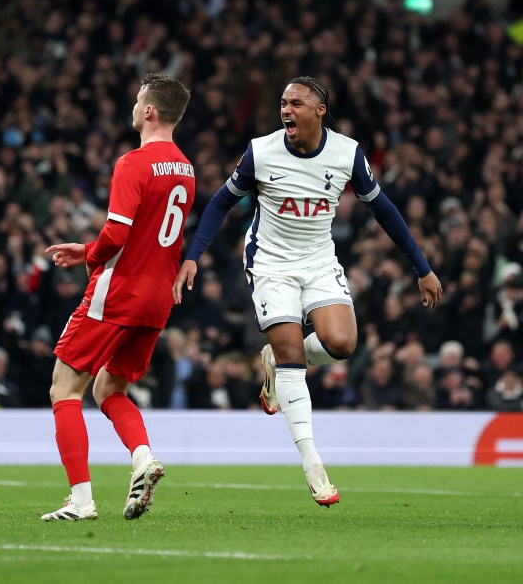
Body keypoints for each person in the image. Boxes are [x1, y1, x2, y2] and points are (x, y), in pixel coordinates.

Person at [173, 76, 442, 506]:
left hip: (318, 262)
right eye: (283, 103)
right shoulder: (261, 151)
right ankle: (313, 464)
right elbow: (221, 201)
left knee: (343, 343)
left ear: (320, 110)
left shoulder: (347, 153)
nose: (286, 109)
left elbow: (383, 209)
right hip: (271, 263)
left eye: (296, 103)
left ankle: (273, 361)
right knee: (293, 356)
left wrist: (421, 266)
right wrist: (193, 255)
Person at [41, 73, 194, 521]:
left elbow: (117, 233)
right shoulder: (186, 168)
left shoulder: (133, 163)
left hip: (121, 289)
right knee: (109, 387)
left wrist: (87, 254)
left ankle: (81, 501)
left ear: (149, 110)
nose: (133, 106)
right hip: (159, 296)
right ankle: (143, 458)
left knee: (64, 387)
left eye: (137, 99)